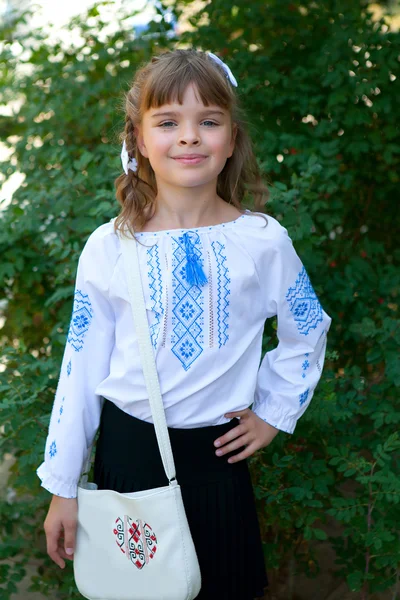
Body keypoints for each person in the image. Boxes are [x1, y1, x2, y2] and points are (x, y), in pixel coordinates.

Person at [37, 48, 332, 600]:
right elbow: (79, 368)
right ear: (139, 141)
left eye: (209, 121)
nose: (189, 137)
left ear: (231, 140)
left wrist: (272, 412)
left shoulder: (262, 240)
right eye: (168, 122)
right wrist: (63, 486)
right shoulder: (109, 247)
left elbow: (307, 328)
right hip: (129, 458)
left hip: (219, 460)